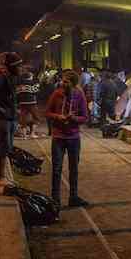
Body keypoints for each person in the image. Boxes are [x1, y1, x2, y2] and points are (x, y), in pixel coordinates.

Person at [45, 69, 89, 208]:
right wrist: (58, 116)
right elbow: (47, 112)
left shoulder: (79, 95)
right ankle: (55, 199)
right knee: (56, 169)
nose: (63, 84)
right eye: (62, 81)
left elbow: (85, 117)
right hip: (58, 137)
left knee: (74, 168)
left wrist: (74, 118)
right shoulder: (57, 94)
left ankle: (73, 197)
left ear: (73, 84)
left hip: (73, 138)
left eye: (66, 82)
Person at [0, 52, 23, 186]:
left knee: (8, 146)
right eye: (18, 66)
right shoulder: (0, 77)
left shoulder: (12, 77)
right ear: (11, 66)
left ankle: (5, 175)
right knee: (3, 145)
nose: (21, 68)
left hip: (11, 116)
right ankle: (0, 177)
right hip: (2, 117)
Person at [17, 67, 42, 138]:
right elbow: (35, 91)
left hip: (22, 104)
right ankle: (32, 134)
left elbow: (17, 93)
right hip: (32, 103)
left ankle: (24, 136)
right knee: (37, 118)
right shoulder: (32, 83)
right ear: (30, 77)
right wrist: (38, 85)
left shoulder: (20, 85)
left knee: (23, 119)